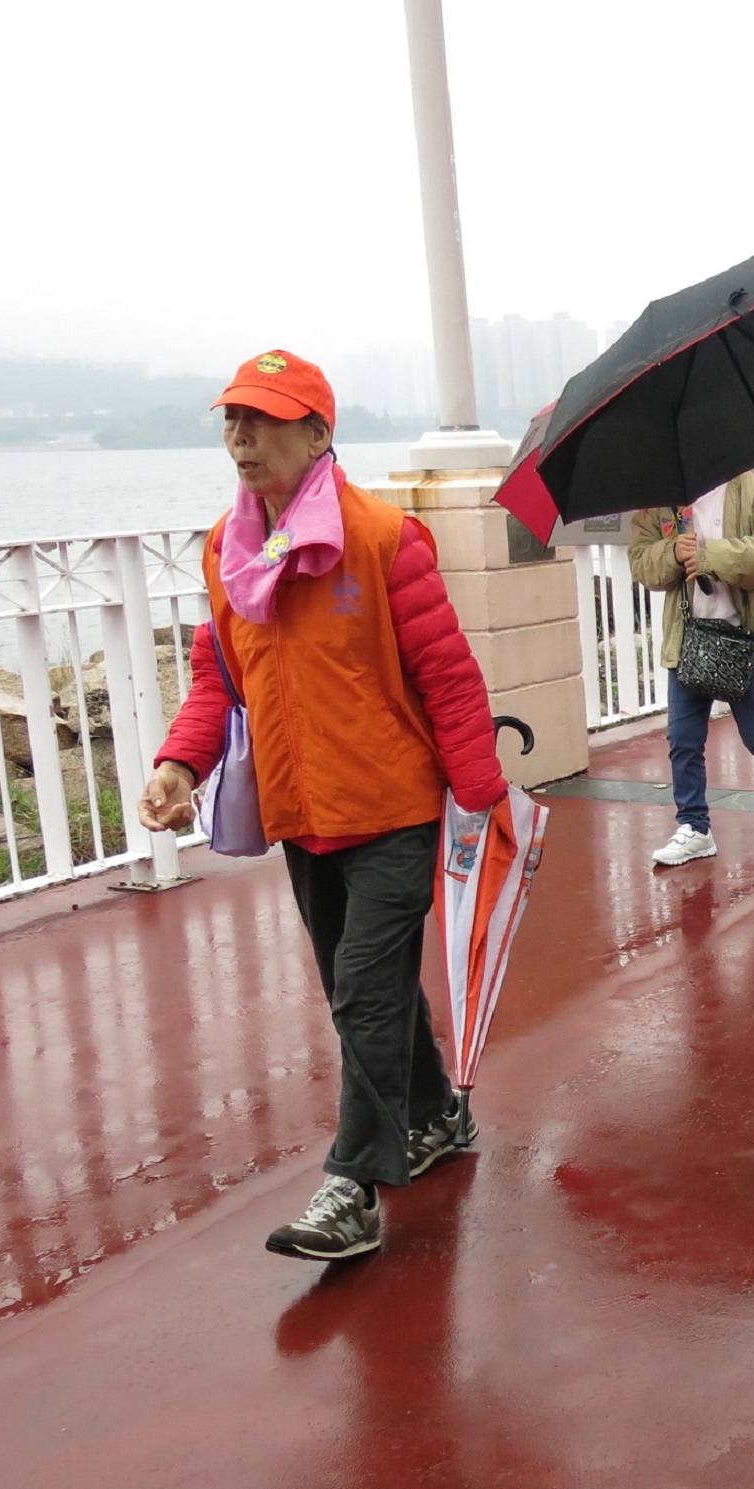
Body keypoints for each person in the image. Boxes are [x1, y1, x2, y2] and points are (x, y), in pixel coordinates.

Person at [139, 349, 507, 1263]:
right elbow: (218, 679)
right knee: (364, 992)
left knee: (364, 992)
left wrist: (482, 800)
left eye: (261, 420)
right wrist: (180, 766)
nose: (240, 437)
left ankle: (354, 1187)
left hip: (392, 807)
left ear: (316, 435)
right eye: (232, 420)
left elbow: (449, 677)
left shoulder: (382, 538)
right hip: (301, 813)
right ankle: (437, 1115)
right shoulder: (229, 552)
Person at [629, 468, 754, 865]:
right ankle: (694, 826)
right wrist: (672, 554)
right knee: (683, 739)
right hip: (688, 639)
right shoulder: (663, 504)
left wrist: (709, 556)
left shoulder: (750, 489)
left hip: (748, 638)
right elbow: (641, 561)